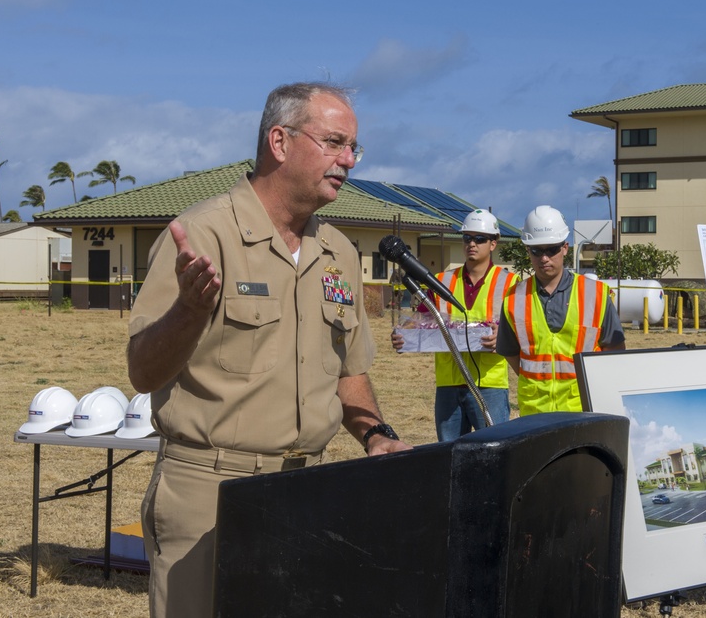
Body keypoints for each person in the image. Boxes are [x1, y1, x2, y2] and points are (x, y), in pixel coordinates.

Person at [127, 82, 411, 618]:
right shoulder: (204, 235)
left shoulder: (338, 252)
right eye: (333, 142)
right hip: (210, 493)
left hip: (308, 492)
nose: (347, 160)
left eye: (354, 147)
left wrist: (374, 434)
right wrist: (189, 309)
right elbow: (143, 372)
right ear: (279, 141)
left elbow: (348, 370)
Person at [391, 209, 518, 441]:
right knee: (449, 456)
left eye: (479, 239)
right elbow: (421, 317)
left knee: (495, 452)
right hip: (449, 384)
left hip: (489, 385)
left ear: (493, 243)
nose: (472, 243)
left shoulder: (510, 283)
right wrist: (402, 335)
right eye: (467, 238)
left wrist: (504, 334)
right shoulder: (442, 280)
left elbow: (522, 328)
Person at [496, 205, 625, 415]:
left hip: (583, 410)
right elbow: (510, 352)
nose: (544, 258)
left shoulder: (597, 294)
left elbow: (615, 352)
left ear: (565, 248)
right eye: (536, 250)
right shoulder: (513, 298)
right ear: (528, 250)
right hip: (534, 412)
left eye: (552, 249)